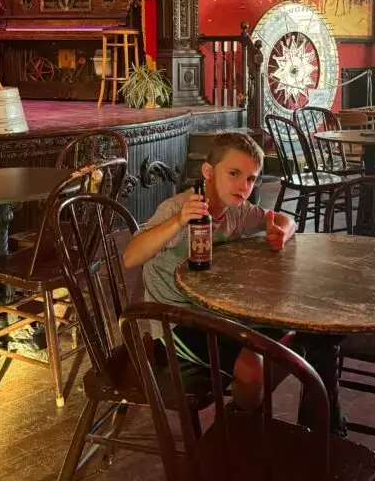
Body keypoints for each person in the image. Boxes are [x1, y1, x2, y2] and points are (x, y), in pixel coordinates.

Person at [123, 133, 333, 420]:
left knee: (302, 338)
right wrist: (177, 222)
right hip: (175, 318)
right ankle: (241, 424)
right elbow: (131, 256)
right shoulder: (178, 209)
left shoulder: (237, 212)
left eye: (250, 179)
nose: (243, 186)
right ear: (208, 172)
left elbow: (281, 218)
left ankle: (248, 407)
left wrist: (281, 231)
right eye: (234, 173)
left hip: (221, 308)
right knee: (253, 370)